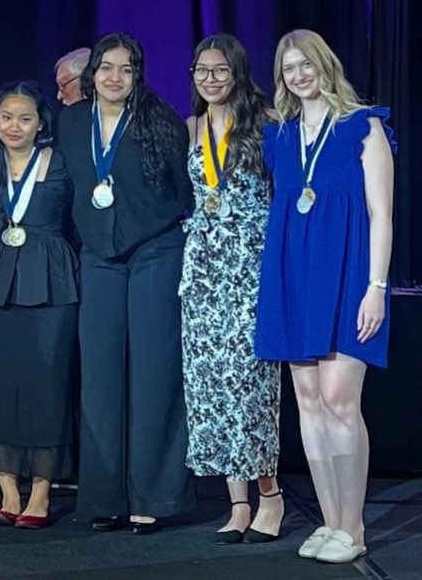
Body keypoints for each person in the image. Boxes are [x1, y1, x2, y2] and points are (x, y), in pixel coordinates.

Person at [256, 29, 395, 564]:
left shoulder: (364, 126)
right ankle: (331, 520)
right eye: (289, 67)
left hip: (348, 275)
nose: (298, 74)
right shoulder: (281, 134)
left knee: (339, 399)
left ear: (324, 64)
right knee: (309, 403)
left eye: (305, 64)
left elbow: (382, 213)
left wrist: (376, 289)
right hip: (293, 275)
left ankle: (353, 526)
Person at [57, 32, 195, 534]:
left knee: (154, 373)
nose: (115, 77)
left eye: (126, 69)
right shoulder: (71, 123)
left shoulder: (161, 122)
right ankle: (104, 496)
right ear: (91, 74)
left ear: (138, 76)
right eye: (106, 68)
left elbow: (184, 192)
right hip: (99, 257)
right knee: (100, 377)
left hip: (156, 252)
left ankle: (153, 497)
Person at [180, 34, 282, 544]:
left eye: (220, 71)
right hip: (202, 267)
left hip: (251, 264)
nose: (211, 79)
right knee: (211, 385)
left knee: (250, 384)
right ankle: (236, 503)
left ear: (238, 73)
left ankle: (271, 496)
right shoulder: (192, 126)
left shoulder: (263, 125)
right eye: (202, 71)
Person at [0, 81, 77, 530]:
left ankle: (41, 491)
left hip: (52, 278)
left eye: (25, 118)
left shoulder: (61, 163)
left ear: (41, 123)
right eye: (6, 117)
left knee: (46, 384)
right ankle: (7, 488)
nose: (14, 126)